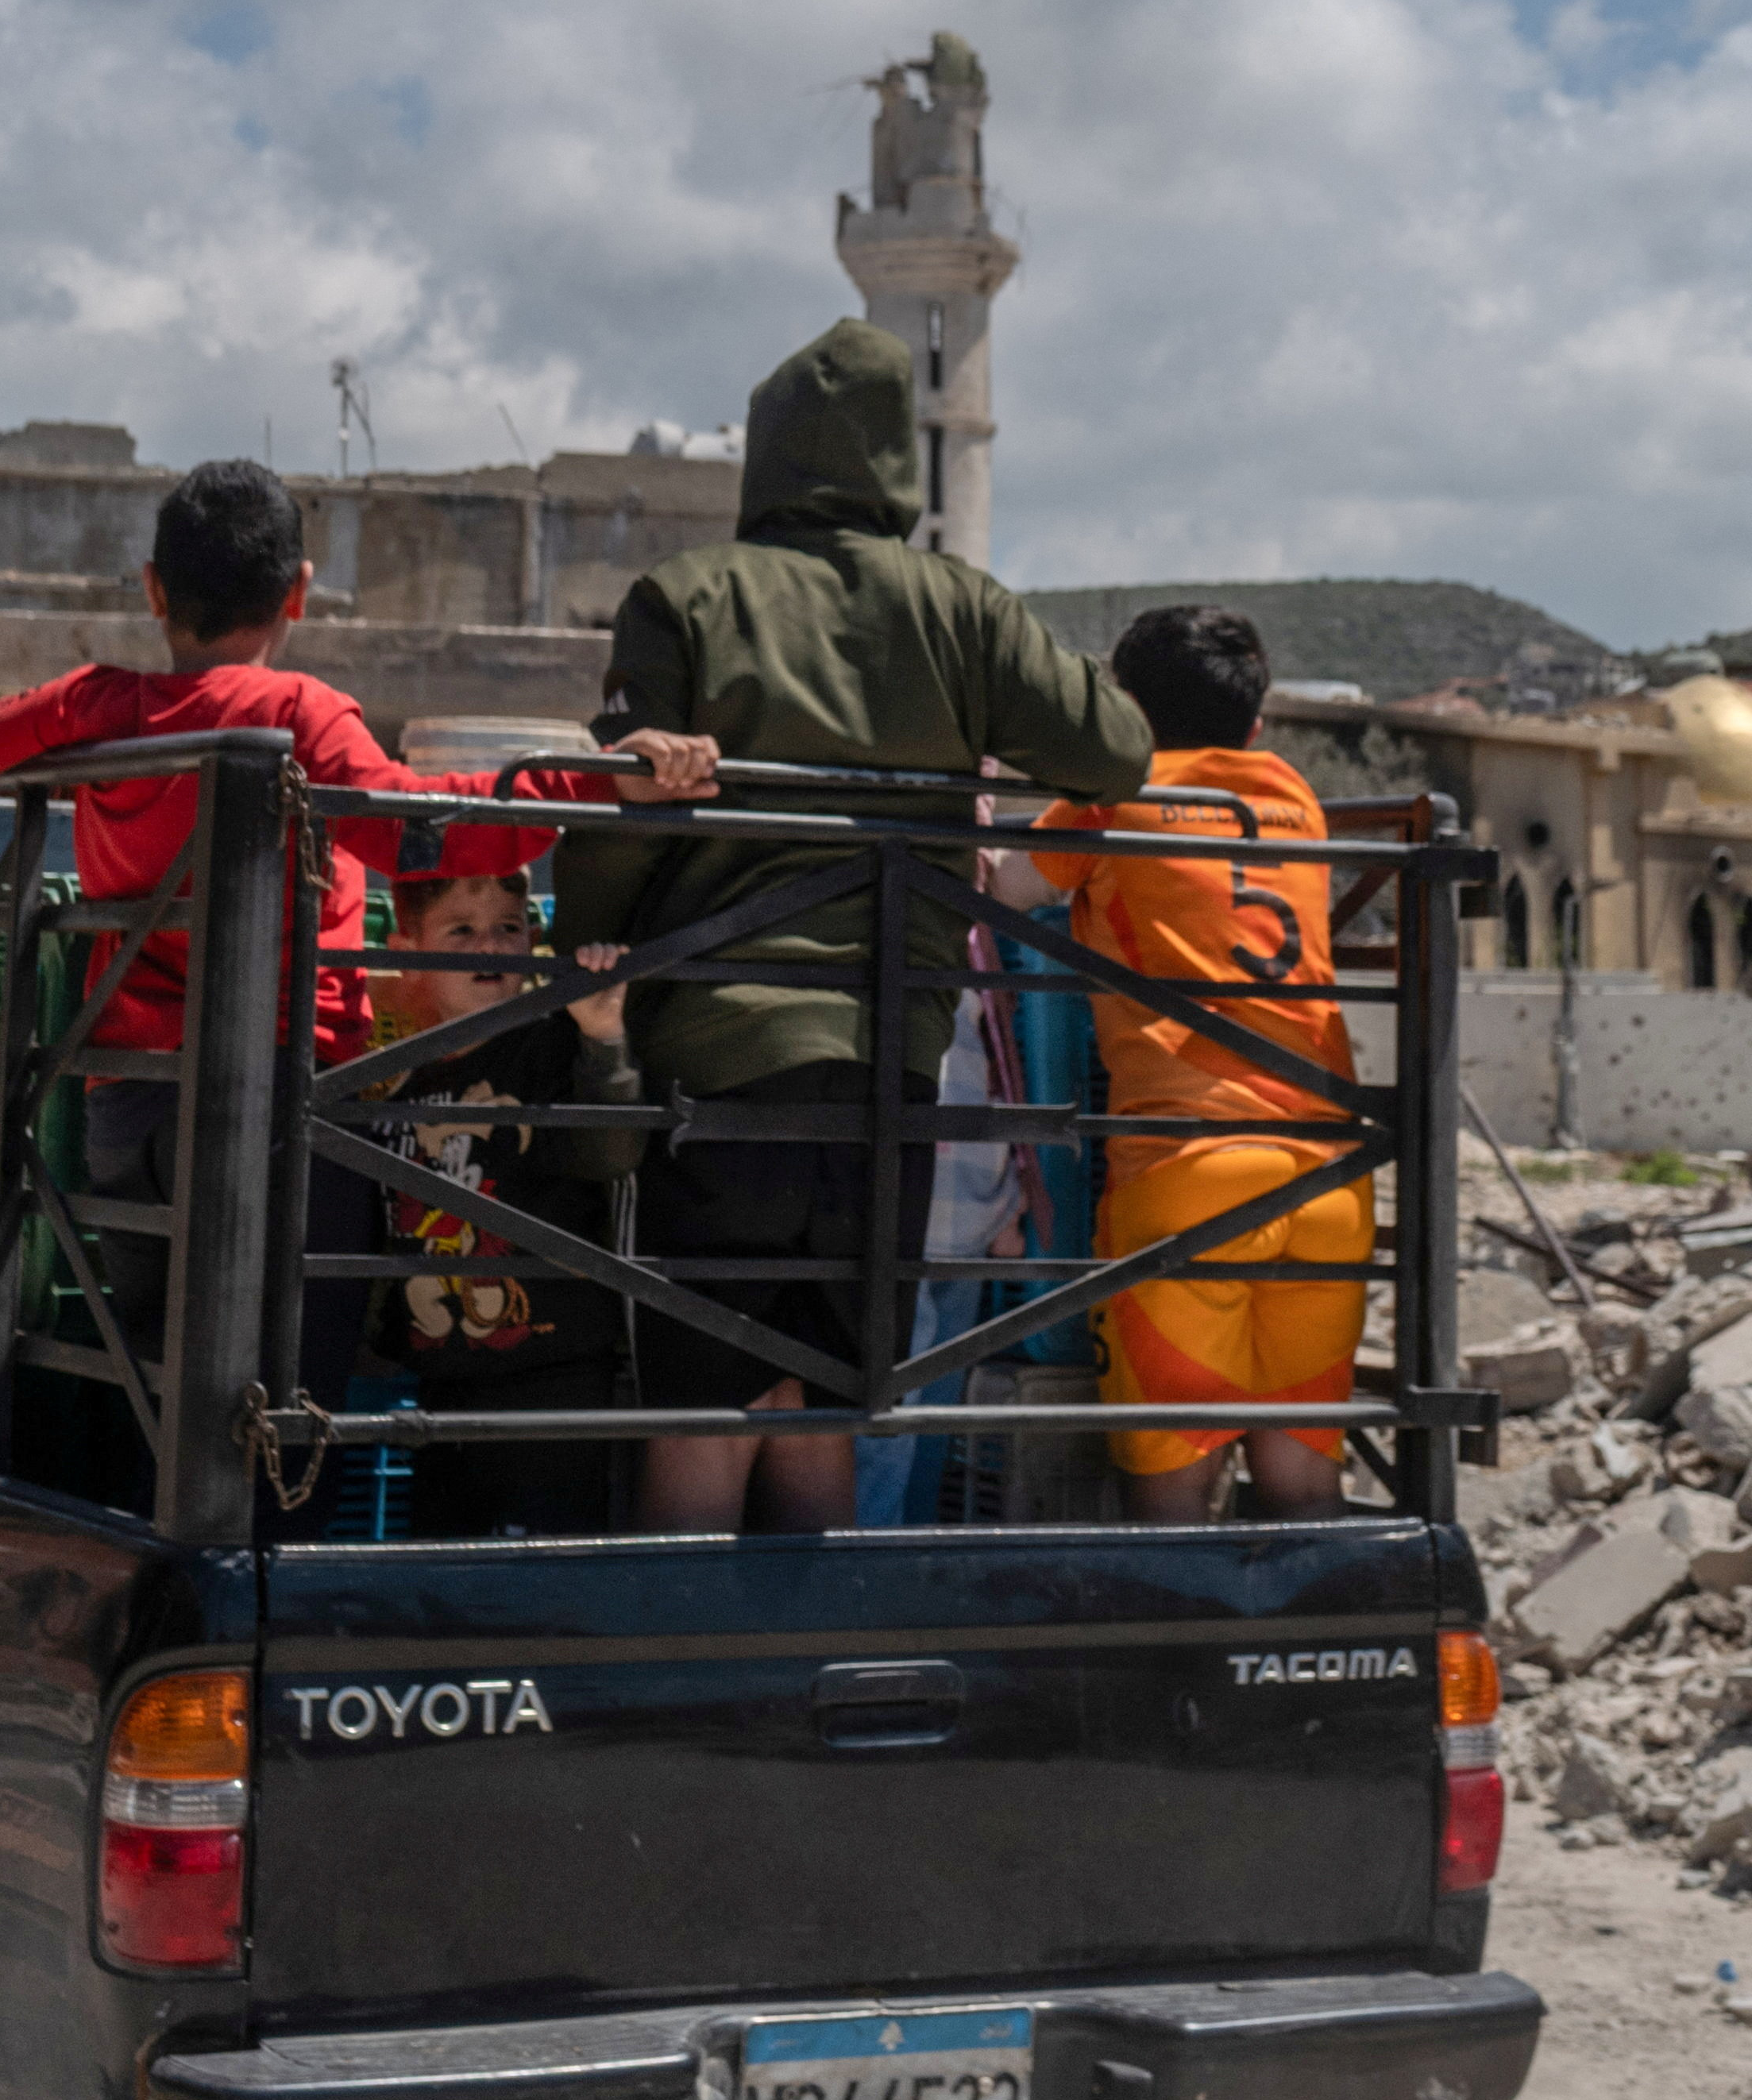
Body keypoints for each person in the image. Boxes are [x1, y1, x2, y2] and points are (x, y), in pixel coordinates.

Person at [0, 459, 717, 1532]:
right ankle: (262, 1620)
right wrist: (602, 775)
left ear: (154, 589)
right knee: (291, 1413)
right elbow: (426, 824)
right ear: (299, 591)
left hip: (128, 1116)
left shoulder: (99, 705)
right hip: (279, 1124)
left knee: (160, 1385)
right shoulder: (299, 710)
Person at [557, 322, 1149, 1534]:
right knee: (822, 1401)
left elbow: (625, 807)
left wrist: (583, 952)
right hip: (892, 1064)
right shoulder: (959, 606)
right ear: (901, 466)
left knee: (700, 1404)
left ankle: (688, 1700)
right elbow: (1118, 752)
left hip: (715, 1068)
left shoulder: (684, 595)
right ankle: (808, 1684)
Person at [1032, 606, 1365, 1525]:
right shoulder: (1295, 796)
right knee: (1303, 1484)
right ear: (1255, 721)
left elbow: (1006, 884)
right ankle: (1309, 1656)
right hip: (1331, 1180)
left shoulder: (1115, 789)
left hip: (1188, 1169)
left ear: (1124, 710)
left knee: (1170, 1496)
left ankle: (1178, 1664)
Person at [357, 869, 644, 1538]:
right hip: (441, 1378)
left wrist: (603, 1035)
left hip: (553, 1377)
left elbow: (612, 1151)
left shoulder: (548, 1043)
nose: (489, 947)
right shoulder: (400, 1072)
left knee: (542, 1569)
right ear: (409, 953)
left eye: (508, 929)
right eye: (462, 931)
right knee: (442, 1559)